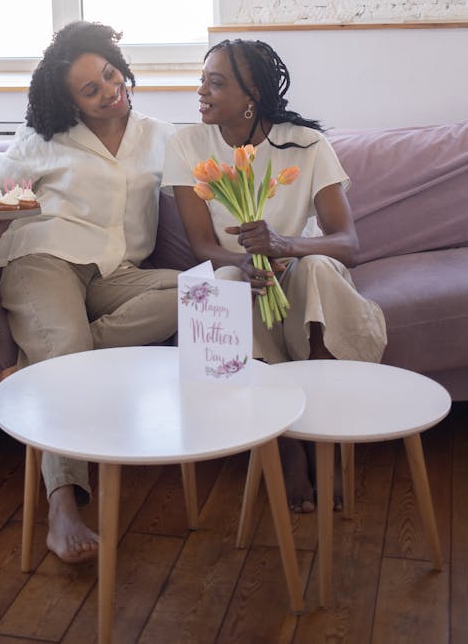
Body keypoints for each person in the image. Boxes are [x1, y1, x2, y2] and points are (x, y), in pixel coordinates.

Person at [0, 21, 180, 563]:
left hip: (117, 275)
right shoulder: (44, 139)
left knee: (209, 290)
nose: (110, 91)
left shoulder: (162, 135)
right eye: (91, 90)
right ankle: (64, 506)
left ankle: (42, 364)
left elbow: (213, 185)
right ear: (69, 101)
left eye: (111, 76)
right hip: (45, 260)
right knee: (64, 356)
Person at [162, 38, 386, 512]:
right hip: (239, 272)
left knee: (320, 268)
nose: (201, 90)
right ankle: (283, 441)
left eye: (216, 82)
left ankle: (323, 432)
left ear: (253, 96)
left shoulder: (306, 145)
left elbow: (349, 244)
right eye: (202, 79)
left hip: (300, 268)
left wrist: (285, 246)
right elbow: (202, 245)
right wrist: (246, 263)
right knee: (219, 286)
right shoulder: (186, 145)